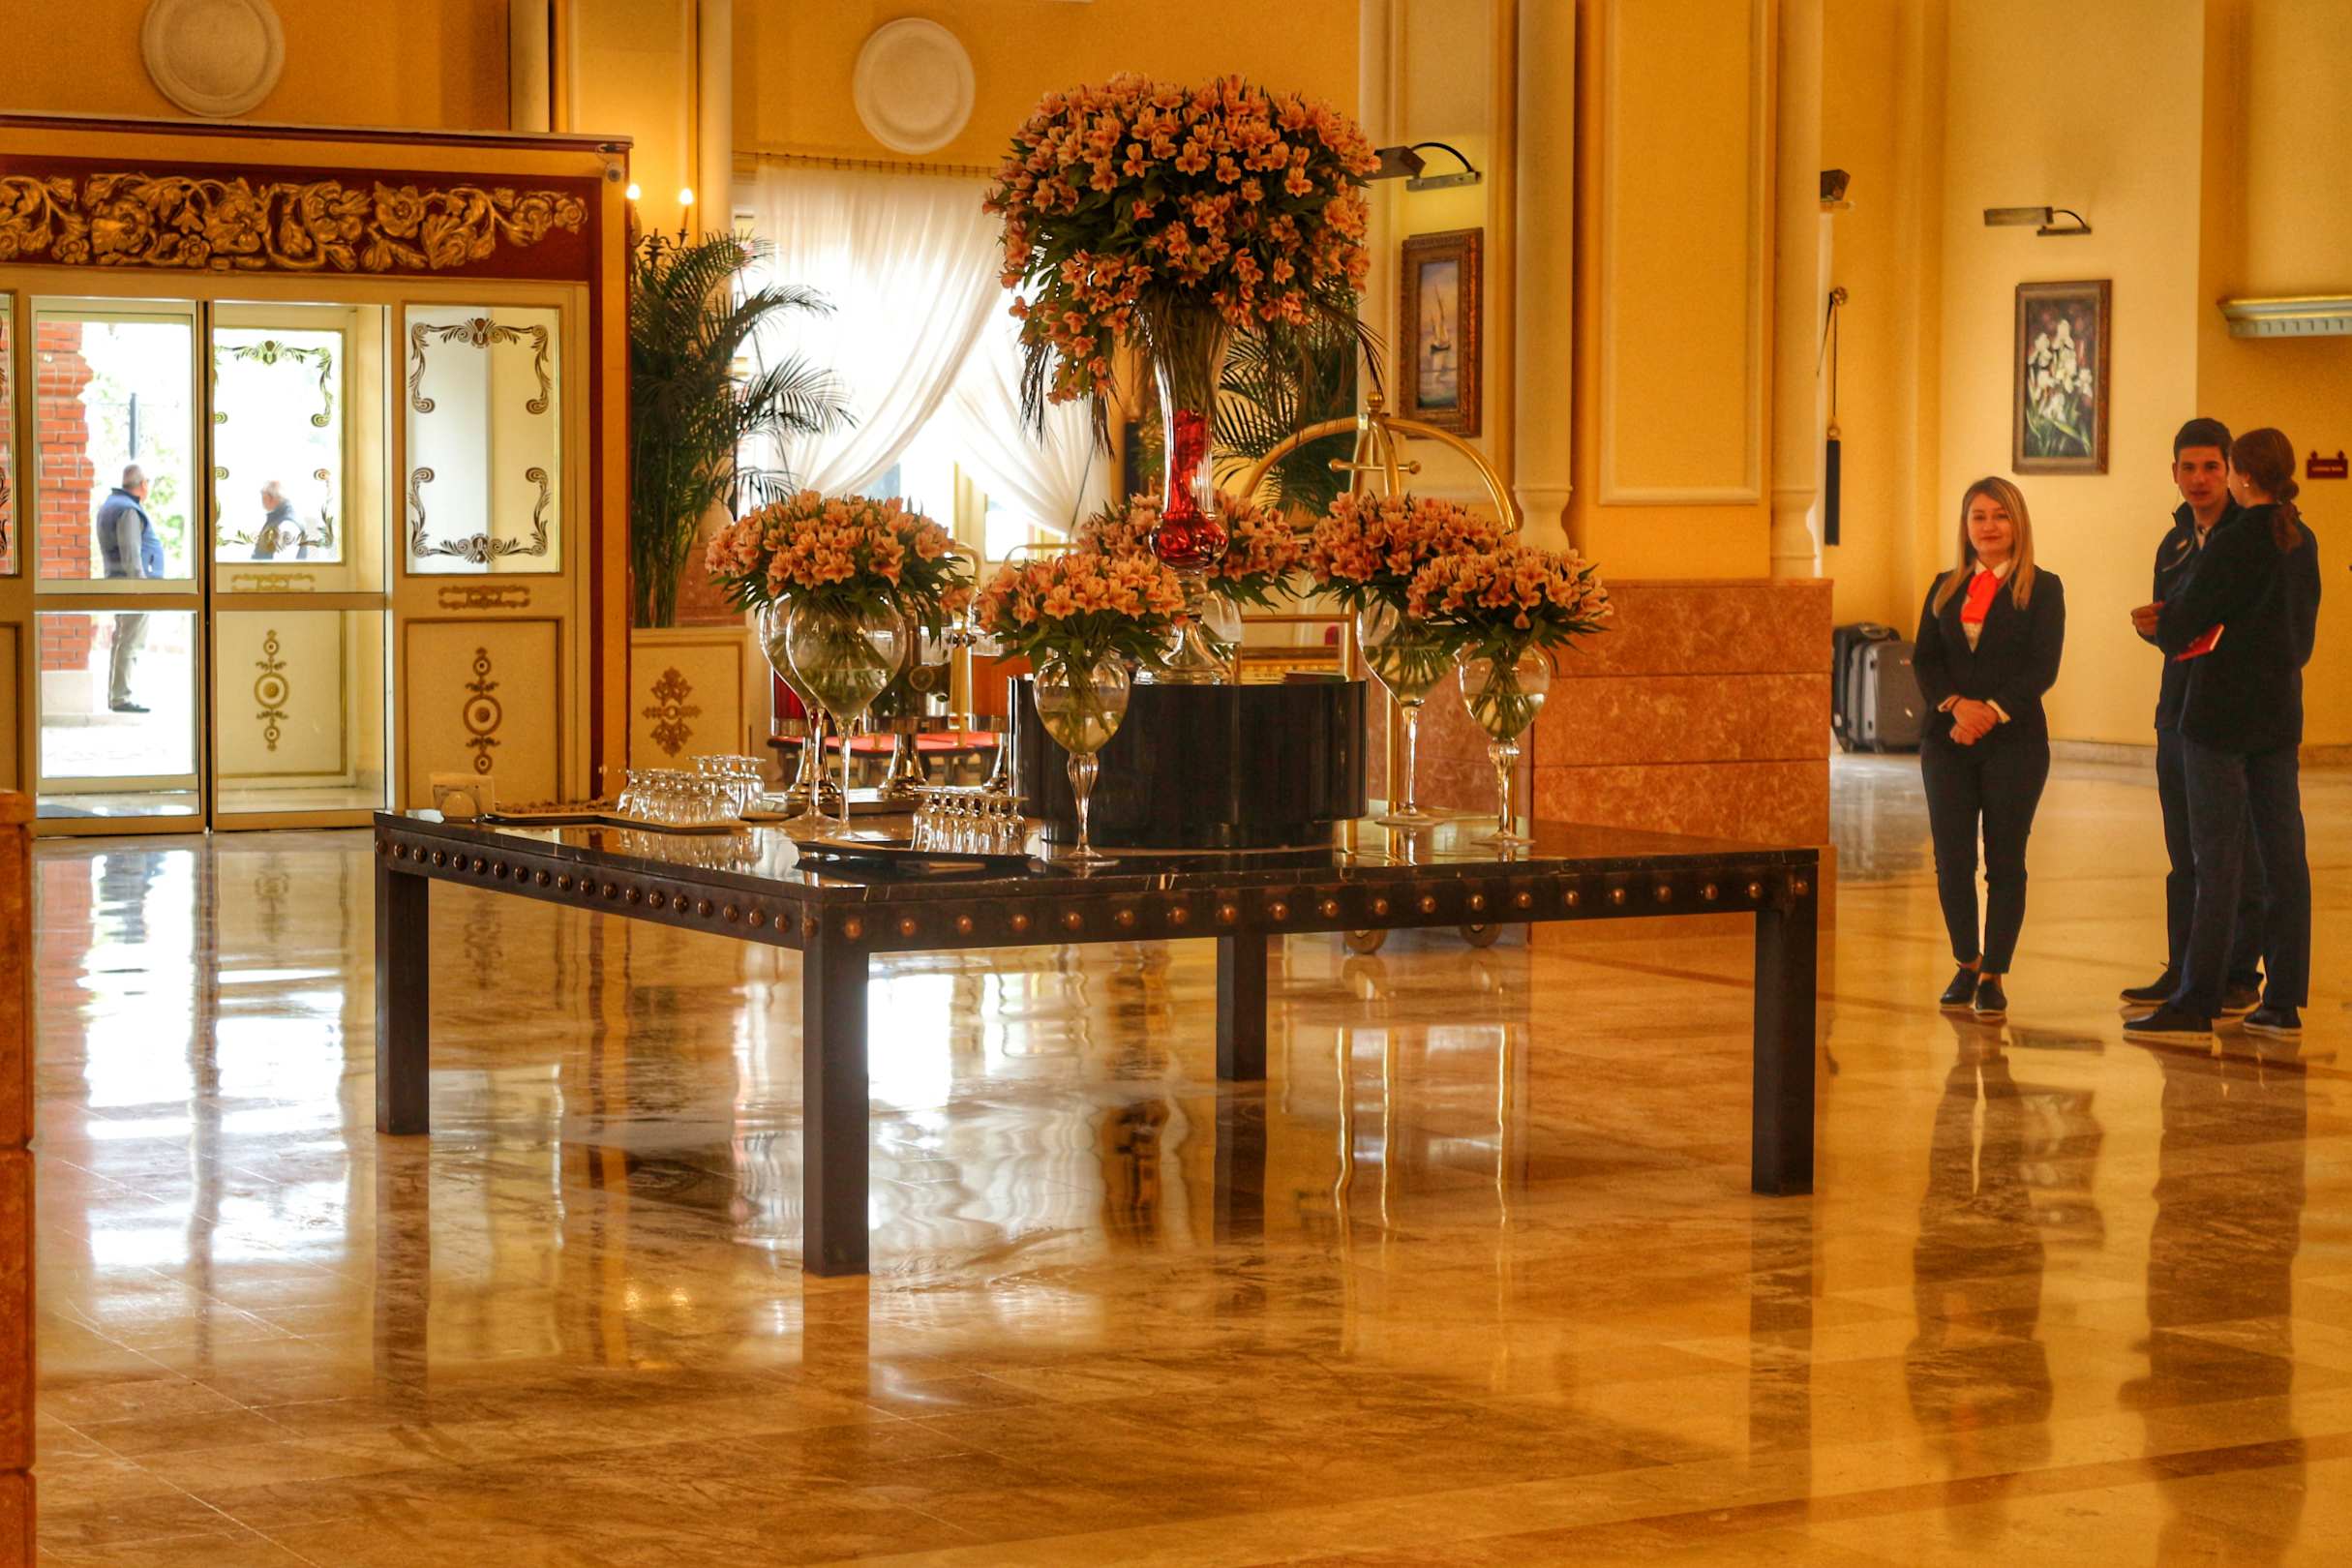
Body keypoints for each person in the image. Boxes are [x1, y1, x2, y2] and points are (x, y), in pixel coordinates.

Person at [2128, 428, 2320, 1042]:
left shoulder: (2237, 540)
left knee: (2217, 861)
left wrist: (2162, 627)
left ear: (2242, 475)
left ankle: (2197, 999)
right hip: (2279, 714)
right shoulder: (2301, 539)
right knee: (2284, 856)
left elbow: (2185, 620)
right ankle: (2282, 1001)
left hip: (2218, 718)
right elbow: (2300, 637)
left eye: (2223, 468)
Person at [1912, 477, 2066, 1020]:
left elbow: (2042, 666)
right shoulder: (1944, 586)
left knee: (2005, 859)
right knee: (1952, 858)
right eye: (1978, 516)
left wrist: (1989, 713)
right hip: (1947, 739)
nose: (1989, 526)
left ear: (2017, 524)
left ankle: (1994, 972)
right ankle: (1967, 960)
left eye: (2000, 515)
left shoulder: (2043, 588)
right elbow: (1925, 659)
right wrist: (1957, 706)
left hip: (2014, 742)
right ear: (1966, 526)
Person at [2123, 419, 2264, 1014]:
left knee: (2235, 851)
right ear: (2174, 472)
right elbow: (2176, 626)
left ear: (2230, 471)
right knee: (2183, 849)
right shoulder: (2175, 543)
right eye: (2189, 468)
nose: (2199, 479)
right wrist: (2154, 627)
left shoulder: (2248, 537)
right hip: (2177, 708)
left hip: (2229, 713)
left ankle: (2238, 973)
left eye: (2211, 467)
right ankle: (2184, 968)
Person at [94, 464, 163, 714]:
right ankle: (121, 697)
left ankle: (116, 695)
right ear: (143, 484)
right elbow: (132, 555)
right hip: (132, 588)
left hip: (118, 583)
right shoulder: (128, 510)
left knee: (122, 640)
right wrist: (140, 589)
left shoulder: (111, 505)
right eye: (148, 483)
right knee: (130, 642)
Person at [252, 480, 295, 561]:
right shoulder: (276, 520)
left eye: (263, 496)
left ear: (271, 498)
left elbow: (283, 562)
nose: (262, 501)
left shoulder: (286, 523)